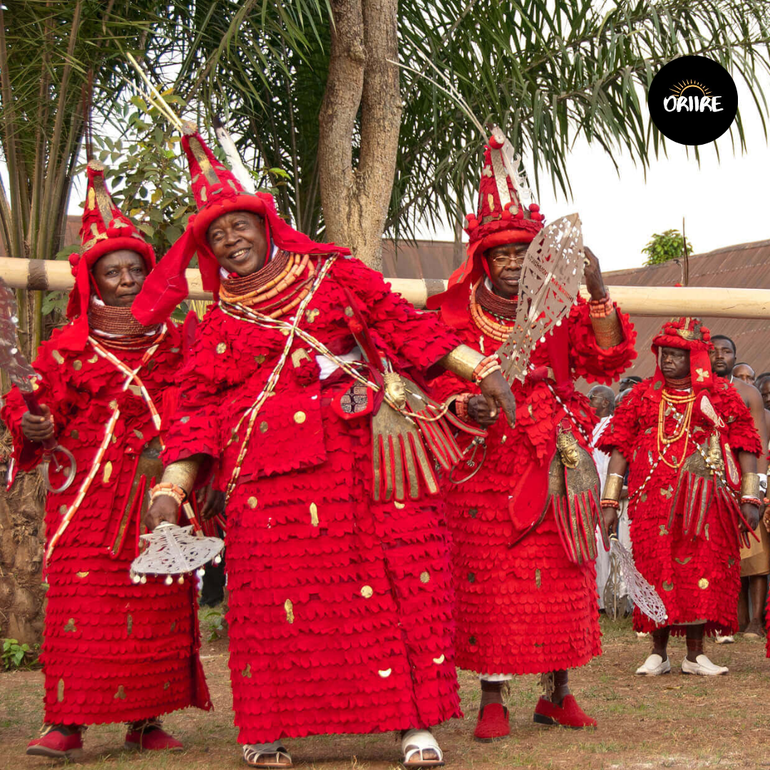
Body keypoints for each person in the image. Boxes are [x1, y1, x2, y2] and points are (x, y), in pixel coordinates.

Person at [134, 125, 517, 769]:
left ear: (266, 224)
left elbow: (404, 325)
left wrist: (479, 367)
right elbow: (194, 411)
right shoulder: (215, 325)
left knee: (399, 578)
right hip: (266, 475)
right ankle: (265, 729)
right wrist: (171, 487)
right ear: (208, 250)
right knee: (274, 599)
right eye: (216, 236)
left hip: (365, 449)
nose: (231, 241)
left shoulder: (333, 273)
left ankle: (414, 725)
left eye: (240, 227)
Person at [427, 132, 637, 740]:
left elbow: (607, 360)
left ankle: (557, 693)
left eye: (525, 252)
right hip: (485, 463)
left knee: (565, 573)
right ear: (484, 261)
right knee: (493, 579)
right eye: (504, 255)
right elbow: (434, 381)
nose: (515, 263)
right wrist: (469, 402)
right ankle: (493, 700)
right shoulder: (455, 315)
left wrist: (596, 290)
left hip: (560, 457)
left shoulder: (562, 308)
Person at [1, 161, 211, 761]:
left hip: (158, 492)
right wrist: (32, 423)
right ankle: (66, 722)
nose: (124, 279)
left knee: (155, 602)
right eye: (112, 271)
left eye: (134, 270)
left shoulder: (177, 342)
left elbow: (201, 403)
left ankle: (145, 721)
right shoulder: (67, 347)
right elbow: (29, 408)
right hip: (89, 500)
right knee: (83, 606)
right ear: (91, 280)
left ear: (150, 276)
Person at [599, 318, 762, 676]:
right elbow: (619, 447)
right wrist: (609, 501)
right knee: (655, 568)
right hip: (651, 503)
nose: (668, 361)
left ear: (695, 359)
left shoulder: (720, 395)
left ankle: (695, 654)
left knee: (701, 568)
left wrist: (751, 496)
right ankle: (658, 652)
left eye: (677, 355)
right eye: (664, 354)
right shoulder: (641, 396)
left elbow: (746, 443)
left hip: (703, 503)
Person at [710, 335, 769, 640]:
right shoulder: (692, 391)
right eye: (713, 351)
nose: (719, 356)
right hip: (702, 484)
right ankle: (717, 619)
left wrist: (754, 492)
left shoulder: (749, 393)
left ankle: (745, 621)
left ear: (735, 356)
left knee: (746, 555)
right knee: (708, 555)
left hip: (741, 486)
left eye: (726, 351)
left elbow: (758, 447)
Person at [589, 386, 616, 610]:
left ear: (605, 403)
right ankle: (594, 598)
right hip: (588, 494)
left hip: (607, 494)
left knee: (605, 547)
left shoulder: (612, 426)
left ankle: (607, 601)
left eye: (593, 397)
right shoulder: (588, 426)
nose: (589, 401)